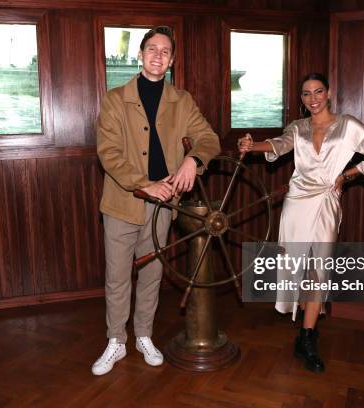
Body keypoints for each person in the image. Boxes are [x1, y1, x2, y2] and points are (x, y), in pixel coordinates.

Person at [238, 72, 364, 373]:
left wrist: (347, 175)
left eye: (318, 92)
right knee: (298, 265)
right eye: (306, 94)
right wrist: (251, 146)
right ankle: (306, 334)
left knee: (319, 266)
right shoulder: (298, 127)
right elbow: (278, 145)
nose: (313, 99)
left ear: (329, 93)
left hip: (326, 201)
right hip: (296, 203)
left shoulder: (349, 125)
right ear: (301, 99)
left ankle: (308, 338)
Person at [93, 26, 220, 376]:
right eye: (152, 49)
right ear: (141, 54)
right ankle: (116, 340)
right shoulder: (115, 99)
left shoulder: (183, 100)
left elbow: (208, 137)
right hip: (121, 202)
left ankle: (144, 335)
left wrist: (194, 160)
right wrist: (142, 184)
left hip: (164, 205)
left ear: (172, 60)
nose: (158, 56)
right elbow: (109, 154)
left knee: (152, 273)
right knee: (118, 276)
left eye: (165, 51)